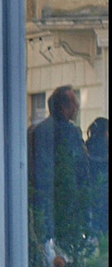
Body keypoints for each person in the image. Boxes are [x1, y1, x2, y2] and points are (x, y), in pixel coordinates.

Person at [28, 85, 89, 243]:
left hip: (41, 203)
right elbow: (81, 168)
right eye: (75, 104)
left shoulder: (36, 130)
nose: (77, 109)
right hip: (64, 203)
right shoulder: (70, 133)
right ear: (64, 107)